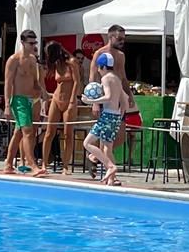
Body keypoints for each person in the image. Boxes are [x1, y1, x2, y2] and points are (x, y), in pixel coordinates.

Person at [90, 25, 137, 166]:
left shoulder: (121, 56)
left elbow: (123, 77)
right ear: (111, 37)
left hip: (118, 99)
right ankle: (109, 170)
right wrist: (95, 102)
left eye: (124, 38)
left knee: (120, 137)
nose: (122, 41)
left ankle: (94, 156)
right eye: (120, 38)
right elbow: (92, 79)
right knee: (106, 139)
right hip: (105, 101)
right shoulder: (100, 54)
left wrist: (129, 95)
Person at [3, 29, 46, 177]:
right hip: (18, 100)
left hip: (30, 99)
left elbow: (35, 82)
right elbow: (7, 84)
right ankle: (32, 165)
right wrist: (7, 106)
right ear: (22, 43)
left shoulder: (33, 60)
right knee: (28, 132)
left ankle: (8, 163)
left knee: (19, 133)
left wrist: (43, 93)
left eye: (35, 42)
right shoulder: (14, 60)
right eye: (31, 43)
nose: (34, 45)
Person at [82, 51, 127, 186]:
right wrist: (120, 115)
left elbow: (107, 97)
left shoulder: (106, 78)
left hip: (107, 116)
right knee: (107, 148)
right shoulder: (117, 79)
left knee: (87, 143)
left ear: (103, 67)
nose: (98, 71)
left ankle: (110, 166)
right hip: (115, 116)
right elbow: (124, 100)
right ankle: (112, 179)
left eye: (98, 68)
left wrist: (90, 101)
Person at [40, 42, 81, 174]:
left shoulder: (72, 62)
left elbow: (77, 82)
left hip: (69, 100)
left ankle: (65, 166)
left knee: (68, 134)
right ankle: (44, 164)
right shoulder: (57, 63)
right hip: (57, 99)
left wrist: (73, 100)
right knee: (49, 133)